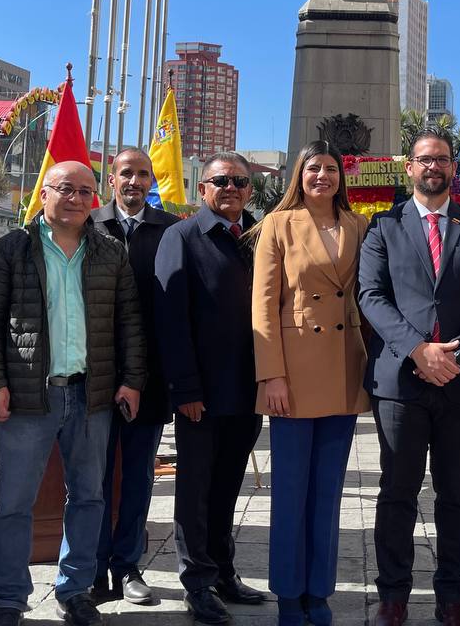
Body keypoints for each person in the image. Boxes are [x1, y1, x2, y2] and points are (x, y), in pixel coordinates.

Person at [0, 161, 146, 626]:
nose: (75, 198)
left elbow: (129, 322)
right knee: (14, 502)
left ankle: (75, 590)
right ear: (42, 192)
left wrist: (132, 380)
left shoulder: (111, 251)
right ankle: (10, 598)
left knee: (89, 497)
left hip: (92, 396)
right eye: (65, 189)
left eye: (85, 191)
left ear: (95, 198)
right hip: (29, 398)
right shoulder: (12, 249)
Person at [358, 125, 460, 626]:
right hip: (400, 383)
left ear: (453, 167)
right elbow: (372, 297)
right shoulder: (382, 226)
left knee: (457, 494)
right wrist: (419, 350)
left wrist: (459, 355)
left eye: (442, 159)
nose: (434, 167)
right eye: (425, 159)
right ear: (410, 168)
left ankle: (452, 597)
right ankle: (393, 596)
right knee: (397, 492)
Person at [252, 142, 370, 626]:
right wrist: (272, 375)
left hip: (344, 368)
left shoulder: (360, 226)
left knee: (328, 493)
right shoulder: (278, 225)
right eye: (313, 168)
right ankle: (287, 593)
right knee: (290, 493)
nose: (323, 176)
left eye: (331, 169)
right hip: (294, 374)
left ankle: (318, 592)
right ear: (298, 175)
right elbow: (263, 305)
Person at [156, 151, 266, 624]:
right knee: (196, 490)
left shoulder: (258, 236)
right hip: (201, 391)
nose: (231, 188)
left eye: (240, 181)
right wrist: (184, 388)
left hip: (247, 389)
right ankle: (196, 582)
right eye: (220, 180)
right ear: (202, 189)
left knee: (227, 487)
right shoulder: (181, 237)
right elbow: (170, 319)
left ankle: (223, 570)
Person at [91, 148, 180, 604]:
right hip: (93, 379)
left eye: (143, 174)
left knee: (140, 477)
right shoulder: (86, 226)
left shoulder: (170, 231)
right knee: (93, 480)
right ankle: (92, 568)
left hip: (147, 379)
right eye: (127, 173)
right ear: (112, 178)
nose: (135, 181)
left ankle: (127, 567)